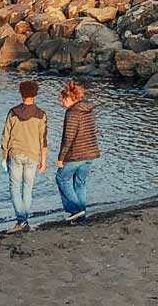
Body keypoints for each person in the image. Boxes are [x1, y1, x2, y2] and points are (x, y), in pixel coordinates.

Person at [1, 80, 48, 234]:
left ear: (21, 94)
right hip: (33, 155)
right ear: (35, 94)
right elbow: (44, 139)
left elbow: (5, 136)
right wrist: (44, 160)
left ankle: (21, 221)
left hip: (15, 154)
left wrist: (3, 156)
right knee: (27, 189)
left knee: (15, 187)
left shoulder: (13, 112)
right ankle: (24, 221)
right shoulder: (41, 114)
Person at [56, 81, 99, 226]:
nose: (61, 102)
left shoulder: (72, 113)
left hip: (76, 154)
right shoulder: (88, 110)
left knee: (61, 179)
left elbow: (68, 137)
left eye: (62, 99)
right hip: (90, 152)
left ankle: (75, 209)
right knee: (80, 183)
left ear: (68, 98)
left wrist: (61, 158)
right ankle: (81, 217)